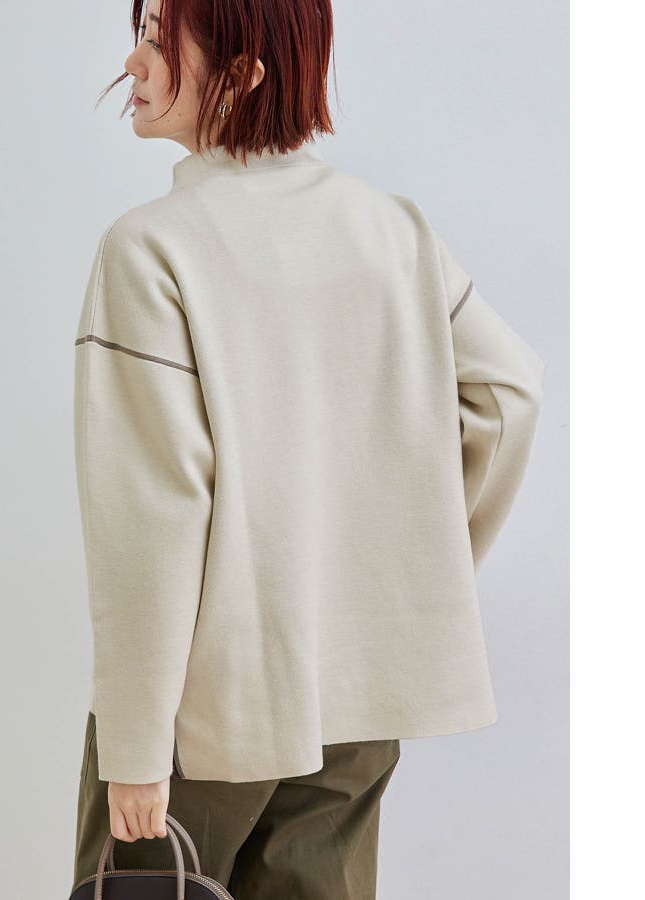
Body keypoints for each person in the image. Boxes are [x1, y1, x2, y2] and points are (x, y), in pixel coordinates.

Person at [70, 1, 546, 896]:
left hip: (205, 713)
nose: (134, 61)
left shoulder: (151, 250)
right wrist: (410, 571)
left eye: (161, 38)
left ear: (244, 73)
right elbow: (509, 392)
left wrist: (134, 746)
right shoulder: (393, 229)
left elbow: (154, 516)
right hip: (357, 691)